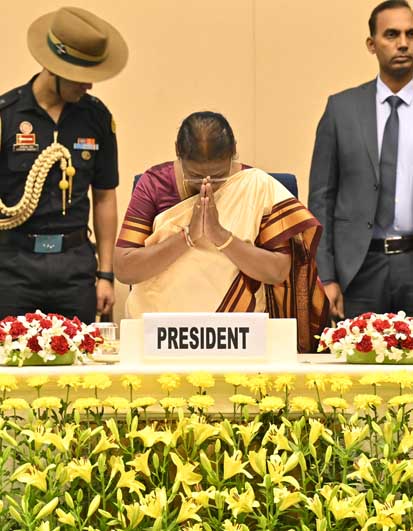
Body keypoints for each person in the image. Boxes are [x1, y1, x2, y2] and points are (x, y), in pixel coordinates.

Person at [115, 111, 328, 352]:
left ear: (234, 151)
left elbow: (277, 272)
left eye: (217, 177)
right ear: (177, 152)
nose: (206, 184)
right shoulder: (155, 185)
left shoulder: (256, 186)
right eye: (195, 176)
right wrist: (188, 236)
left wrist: (220, 236)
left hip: (237, 335)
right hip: (164, 335)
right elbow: (124, 268)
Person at [0, 7, 128, 323]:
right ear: (52, 68)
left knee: (80, 354)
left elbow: (104, 196)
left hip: (74, 268)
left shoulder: (97, 118)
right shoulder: (7, 116)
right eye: (80, 78)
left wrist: (106, 274)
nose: (89, 86)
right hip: (14, 266)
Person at [308, 0, 413, 320]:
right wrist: (326, 276)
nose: (403, 43)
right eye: (392, 34)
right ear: (371, 44)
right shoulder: (342, 110)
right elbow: (322, 199)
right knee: (357, 353)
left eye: (411, 34)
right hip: (359, 269)